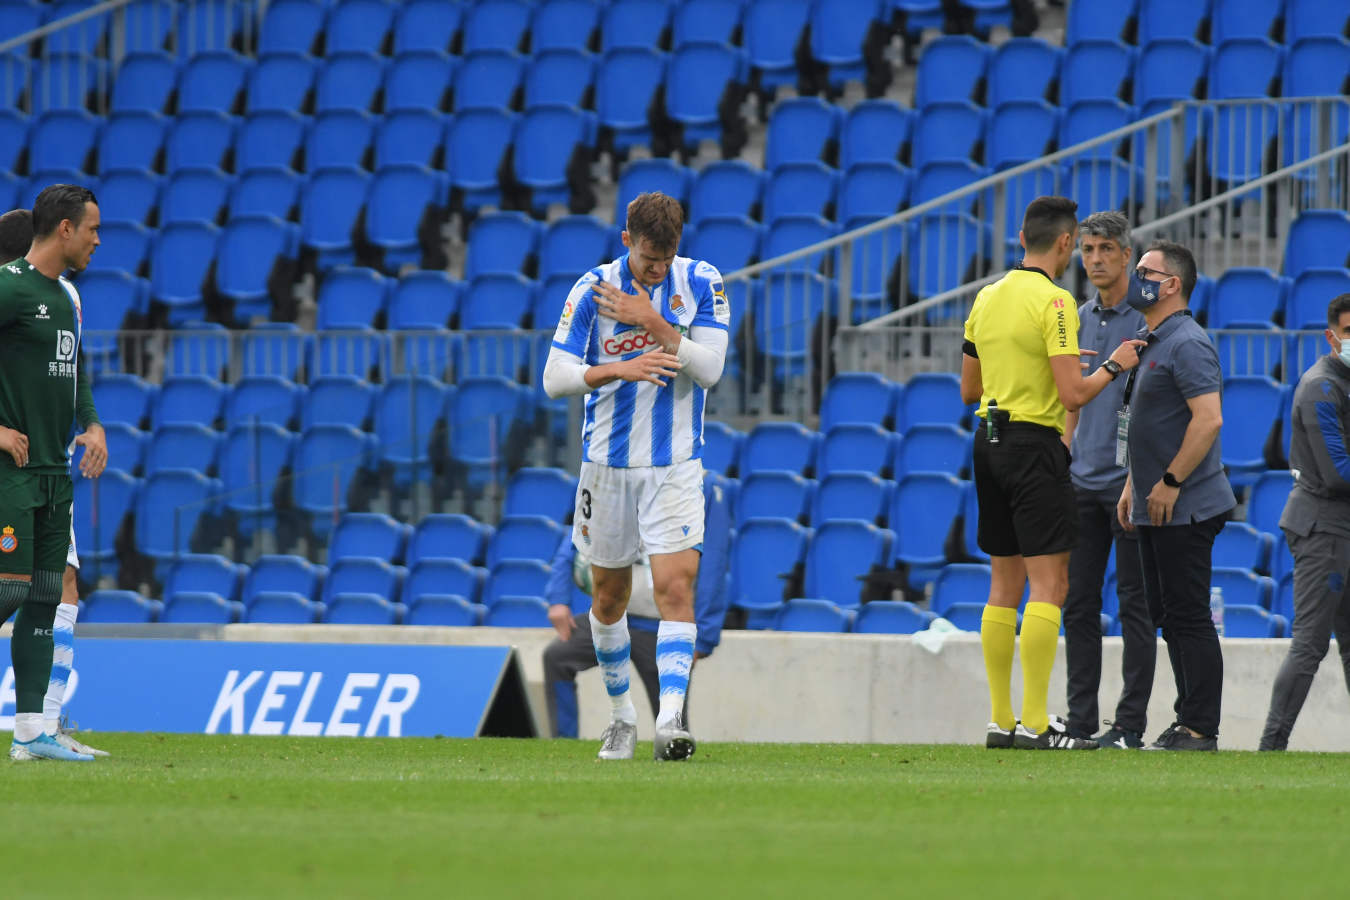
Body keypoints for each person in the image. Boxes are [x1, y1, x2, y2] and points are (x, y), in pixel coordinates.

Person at [542, 191, 730, 761]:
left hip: (675, 464)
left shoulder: (702, 282)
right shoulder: (592, 290)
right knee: (608, 597)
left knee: (676, 588)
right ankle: (621, 717)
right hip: (606, 466)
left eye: (666, 258)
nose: (658, 268)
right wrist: (619, 368)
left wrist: (653, 321)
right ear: (627, 241)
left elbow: (711, 370)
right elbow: (554, 378)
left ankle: (670, 722)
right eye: (650, 258)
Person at [961, 195, 1143, 750]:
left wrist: (1038, 366)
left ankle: (1000, 721)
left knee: (1002, 585)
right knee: (1050, 584)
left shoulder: (987, 296)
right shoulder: (1057, 301)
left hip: (988, 440)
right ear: (1065, 243)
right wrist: (1113, 364)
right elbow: (1073, 395)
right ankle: (1038, 724)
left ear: (1022, 238)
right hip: (1034, 446)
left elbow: (969, 388)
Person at [0, 185, 105, 762]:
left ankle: (31, 732)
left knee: (44, 596)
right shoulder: (9, 286)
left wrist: (92, 424)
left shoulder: (67, 297)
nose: (97, 240)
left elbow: (75, 366)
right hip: (11, 472)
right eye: (92, 228)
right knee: (10, 589)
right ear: (65, 228)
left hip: (51, 471)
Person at [1116, 239, 1234, 752]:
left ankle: (1200, 726)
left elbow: (1208, 420)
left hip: (1184, 504)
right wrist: (1133, 484)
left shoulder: (1187, 342)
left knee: (1187, 614)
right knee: (1167, 615)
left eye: (1146, 271)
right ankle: (1188, 719)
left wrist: (1169, 482)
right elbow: (1148, 425)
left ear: (1172, 285)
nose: (1135, 277)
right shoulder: (1151, 339)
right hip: (1155, 502)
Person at [542, 473, 730, 744]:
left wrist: (704, 636)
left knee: (671, 719)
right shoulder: (612, 472)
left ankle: (673, 750)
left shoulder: (703, 484)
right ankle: (563, 743)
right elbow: (580, 531)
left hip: (662, 625)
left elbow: (714, 561)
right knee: (557, 657)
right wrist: (558, 598)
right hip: (613, 616)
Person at [1061, 211, 1155, 749]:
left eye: (1104, 249)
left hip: (1127, 484)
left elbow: (1153, 409)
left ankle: (1129, 726)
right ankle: (1080, 724)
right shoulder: (1075, 317)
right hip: (1081, 483)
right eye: (1087, 249)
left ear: (1125, 255)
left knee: (1134, 606)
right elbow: (1071, 396)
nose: (1095, 259)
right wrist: (1065, 453)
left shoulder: (1147, 320)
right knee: (1078, 606)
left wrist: (1137, 477)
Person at [1259, 293, 1350, 750]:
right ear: (1331, 337)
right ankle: (1271, 745)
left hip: (1341, 528)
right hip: (1322, 528)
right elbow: (1338, 474)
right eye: (1349, 332)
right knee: (1310, 643)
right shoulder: (1321, 388)